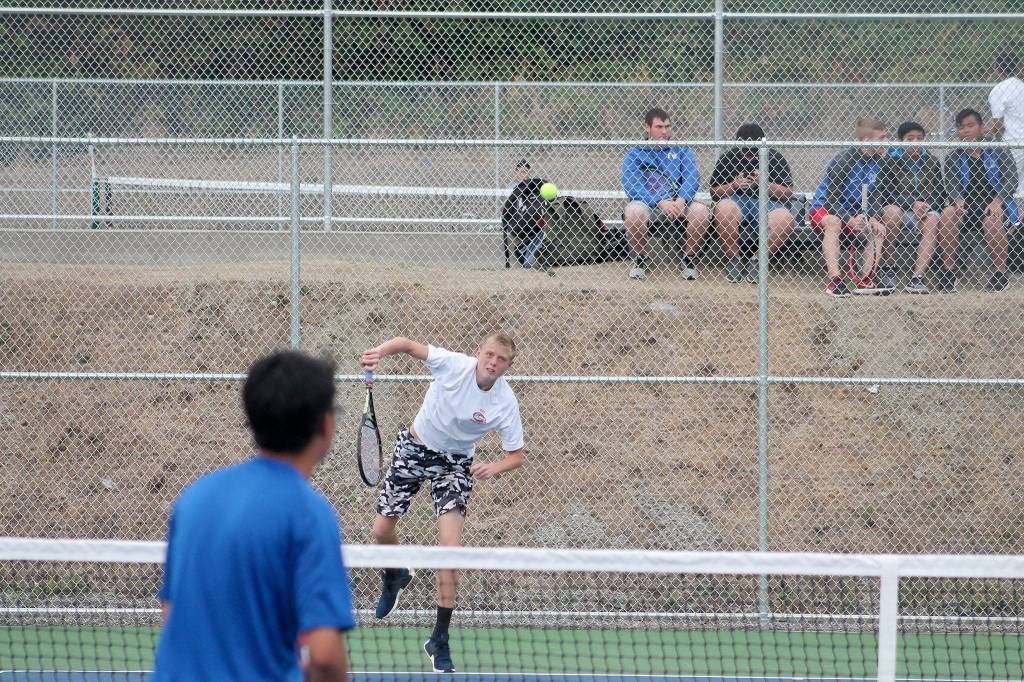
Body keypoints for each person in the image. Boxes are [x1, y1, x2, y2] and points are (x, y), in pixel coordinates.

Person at [152, 351, 355, 682]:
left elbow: (172, 616)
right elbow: (325, 658)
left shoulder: (193, 498)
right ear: (326, 424)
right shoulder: (310, 514)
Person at [362, 333, 526, 674]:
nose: (493, 362)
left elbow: (516, 455)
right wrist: (378, 352)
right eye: (490, 354)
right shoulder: (453, 365)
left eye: (502, 360)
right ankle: (395, 573)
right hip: (415, 449)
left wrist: (493, 467)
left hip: (455, 464)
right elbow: (407, 344)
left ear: (508, 366)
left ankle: (439, 638)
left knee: (450, 550)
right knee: (380, 530)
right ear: (478, 352)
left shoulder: (505, 402)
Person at [621, 107, 711, 280]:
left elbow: (692, 177)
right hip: (649, 204)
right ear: (647, 128)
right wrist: (659, 201)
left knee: (701, 211)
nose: (665, 131)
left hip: (678, 203)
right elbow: (632, 185)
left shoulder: (681, 150)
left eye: (667, 127)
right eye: (659, 127)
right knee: (633, 212)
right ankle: (641, 258)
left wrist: (682, 200)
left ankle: (688, 257)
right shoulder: (635, 154)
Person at [937, 108, 1019, 292]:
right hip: (966, 206)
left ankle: (1000, 274)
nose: (965, 131)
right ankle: (949, 273)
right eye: (961, 127)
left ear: (982, 128)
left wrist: (998, 200)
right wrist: (957, 200)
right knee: (948, 213)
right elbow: (950, 183)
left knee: (992, 219)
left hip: (996, 203)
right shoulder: (954, 156)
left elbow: (1011, 178)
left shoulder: (997, 149)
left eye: (970, 126)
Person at [808, 117, 891, 297]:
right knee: (834, 222)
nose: (887, 142)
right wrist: (849, 220)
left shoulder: (879, 162)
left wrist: (874, 217)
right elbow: (831, 199)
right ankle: (835, 281)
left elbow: (876, 195)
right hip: (826, 209)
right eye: (882, 137)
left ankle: (865, 281)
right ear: (868, 140)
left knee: (877, 229)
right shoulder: (844, 160)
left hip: (853, 214)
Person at [708, 123, 796, 283]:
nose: (750, 158)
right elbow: (714, 193)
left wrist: (765, 183)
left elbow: (788, 193)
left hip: (768, 202)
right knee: (723, 207)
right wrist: (734, 185)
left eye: (753, 154)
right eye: (746, 153)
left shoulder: (775, 157)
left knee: (785, 218)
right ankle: (734, 259)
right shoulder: (729, 157)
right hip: (737, 200)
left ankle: (758, 260)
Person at [873, 121, 945, 294]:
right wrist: (911, 203)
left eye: (919, 138)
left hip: (922, 212)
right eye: (910, 139)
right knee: (892, 212)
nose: (915, 143)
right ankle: (889, 267)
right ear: (901, 141)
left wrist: (927, 207)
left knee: (934, 218)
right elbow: (884, 194)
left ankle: (917, 277)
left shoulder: (932, 162)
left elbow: (940, 194)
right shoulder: (890, 161)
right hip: (900, 209)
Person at [989, 52, 1024, 198]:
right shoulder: (1021, 86)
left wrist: (987, 133)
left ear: (998, 68)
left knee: (1011, 184)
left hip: (1011, 143)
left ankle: (1013, 218)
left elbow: (998, 124)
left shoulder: (999, 89)